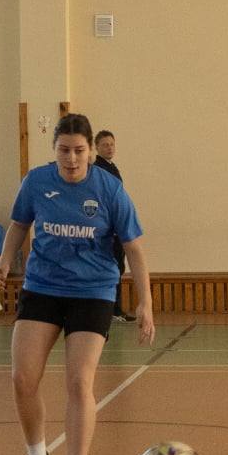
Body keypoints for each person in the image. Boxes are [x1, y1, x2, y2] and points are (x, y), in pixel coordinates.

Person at [0, 114, 154, 455]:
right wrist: (5, 260)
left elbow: (134, 248)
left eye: (79, 150)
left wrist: (146, 303)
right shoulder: (36, 182)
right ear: (55, 151)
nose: (71, 158)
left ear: (91, 151)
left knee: (79, 382)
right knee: (22, 378)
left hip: (92, 291)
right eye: (64, 150)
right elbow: (18, 225)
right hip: (43, 286)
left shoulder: (109, 189)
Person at [95, 129, 132, 322]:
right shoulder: (98, 170)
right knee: (110, 268)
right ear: (97, 147)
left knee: (118, 267)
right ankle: (110, 309)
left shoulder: (111, 167)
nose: (109, 148)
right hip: (109, 228)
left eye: (111, 144)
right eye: (105, 145)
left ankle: (115, 308)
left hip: (118, 226)